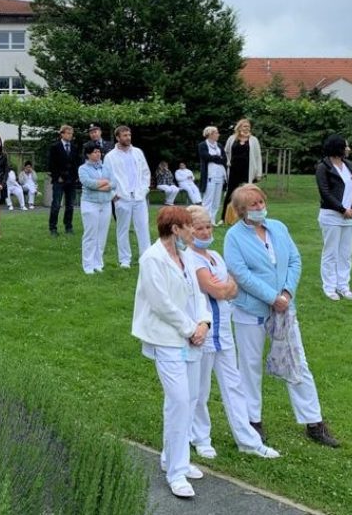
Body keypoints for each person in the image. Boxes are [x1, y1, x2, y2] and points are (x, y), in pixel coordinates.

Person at [223, 184, 339, 448]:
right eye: (253, 204)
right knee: (250, 367)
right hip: (251, 311)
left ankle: (314, 421)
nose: (260, 207)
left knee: (297, 363)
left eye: (261, 202)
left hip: (285, 309)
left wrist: (286, 293)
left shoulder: (278, 227)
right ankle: (253, 421)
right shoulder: (234, 237)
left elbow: (295, 260)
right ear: (241, 210)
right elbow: (240, 273)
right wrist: (271, 297)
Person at [185, 205, 280, 460]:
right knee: (200, 388)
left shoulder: (215, 256)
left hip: (224, 330)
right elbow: (215, 289)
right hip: (202, 332)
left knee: (233, 384)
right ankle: (200, 437)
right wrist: (223, 288)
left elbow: (233, 288)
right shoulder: (190, 259)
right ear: (188, 231)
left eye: (207, 227)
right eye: (199, 228)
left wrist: (224, 288)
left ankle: (248, 440)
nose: (205, 232)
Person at [132, 206, 211, 499]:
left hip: (192, 337)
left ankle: (174, 458)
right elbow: (161, 303)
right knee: (178, 400)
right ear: (175, 229)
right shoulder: (152, 259)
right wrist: (190, 329)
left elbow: (197, 294)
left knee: (188, 399)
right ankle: (176, 473)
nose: (194, 231)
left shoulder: (187, 256)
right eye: (190, 227)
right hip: (168, 339)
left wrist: (203, 322)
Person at [314, 135, 352, 301]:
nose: (348, 149)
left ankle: (343, 286)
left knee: (346, 253)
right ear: (338, 148)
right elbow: (325, 192)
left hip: (350, 217)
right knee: (331, 252)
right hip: (331, 215)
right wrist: (341, 209)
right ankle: (329, 287)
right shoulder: (323, 167)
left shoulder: (350, 167)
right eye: (345, 146)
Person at [105, 125, 151, 268]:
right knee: (122, 229)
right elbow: (106, 177)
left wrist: (144, 190)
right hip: (122, 198)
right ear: (117, 137)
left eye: (129, 135)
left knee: (143, 227)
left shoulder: (137, 152)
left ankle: (146, 257)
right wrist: (113, 195)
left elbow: (145, 172)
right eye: (124, 135)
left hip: (139, 196)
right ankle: (125, 259)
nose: (128, 138)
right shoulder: (110, 156)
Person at [78, 141, 115, 274]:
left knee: (102, 234)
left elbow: (114, 183)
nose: (98, 154)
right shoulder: (83, 169)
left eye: (99, 151)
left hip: (105, 204)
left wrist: (103, 185)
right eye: (94, 152)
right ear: (88, 154)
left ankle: (98, 263)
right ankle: (88, 265)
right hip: (90, 204)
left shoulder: (105, 167)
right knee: (90, 234)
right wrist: (105, 183)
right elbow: (89, 184)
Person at [222, 119, 263, 215]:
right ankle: (225, 217)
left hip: (247, 170)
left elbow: (258, 157)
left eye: (248, 126)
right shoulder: (232, 138)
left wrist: (259, 173)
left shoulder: (254, 140)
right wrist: (228, 161)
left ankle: (248, 215)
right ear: (239, 127)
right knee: (230, 193)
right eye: (245, 126)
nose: (247, 128)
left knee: (247, 193)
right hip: (233, 170)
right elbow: (225, 152)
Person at [48, 125, 79, 236]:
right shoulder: (55, 147)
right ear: (62, 134)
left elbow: (76, 163)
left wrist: (76, 177)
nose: (70, 135)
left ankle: (68, 226)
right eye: (68, 133)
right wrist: (57, 176)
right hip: (59, 180)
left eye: (71, 133)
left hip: (71, 180)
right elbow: (51, 164)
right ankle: (53, 228)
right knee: (56, 204)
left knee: (70, 205)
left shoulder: (74, 147)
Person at [198, 126, 226, 225]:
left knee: (216, 200)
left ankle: (212, 220)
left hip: (220, 175)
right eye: (216, 133)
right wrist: (217, 157)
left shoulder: (219, 145)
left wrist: (214, 158)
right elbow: (206, 157)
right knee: (208, 199)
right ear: (210, 134)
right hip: (209, 176)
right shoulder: (202, 145)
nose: (218, 134)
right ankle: (205, 220)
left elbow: (224, 159)